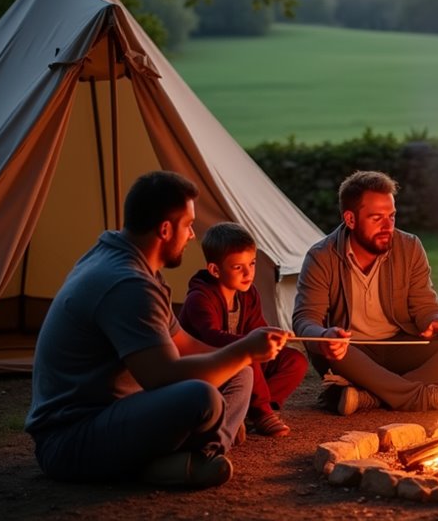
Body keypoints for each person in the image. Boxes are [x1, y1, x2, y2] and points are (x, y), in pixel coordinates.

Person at [25, 171, 288, 489]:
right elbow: (162, 376)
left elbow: (184, 344)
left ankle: (186, 456)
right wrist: (244, 350)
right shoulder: (127, 283)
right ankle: (190, 458)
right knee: (201, 396)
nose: (193, 235)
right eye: (188, 225)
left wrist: (242, 355)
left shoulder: (127, 261)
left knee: (240, 373)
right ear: (165, 229)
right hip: (72, 439)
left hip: (114, 416)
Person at [293, 170, 438, 416]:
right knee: (332, 349)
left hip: (400, 345)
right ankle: (419, 396)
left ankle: (370, 396)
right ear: (350, 219)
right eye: (376, 218)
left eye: (391, 216)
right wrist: (325, 336)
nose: (388, 226)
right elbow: (304, 320)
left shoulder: (409, 247)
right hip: (353, 352)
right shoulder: (321, 256)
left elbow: (425, 307)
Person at [179, 222, 308, 437]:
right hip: (209, 367)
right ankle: (261, 413)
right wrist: (250, 345)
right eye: (238, 267)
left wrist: (272, 337)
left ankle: (249, 410)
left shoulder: (248, 294)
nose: (248, 273)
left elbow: (256, 328)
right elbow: (211, 337)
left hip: (243, 364)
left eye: (252, 263)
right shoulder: (199, 299)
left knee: (295, 361)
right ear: (215, 270)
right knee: (249, 354)